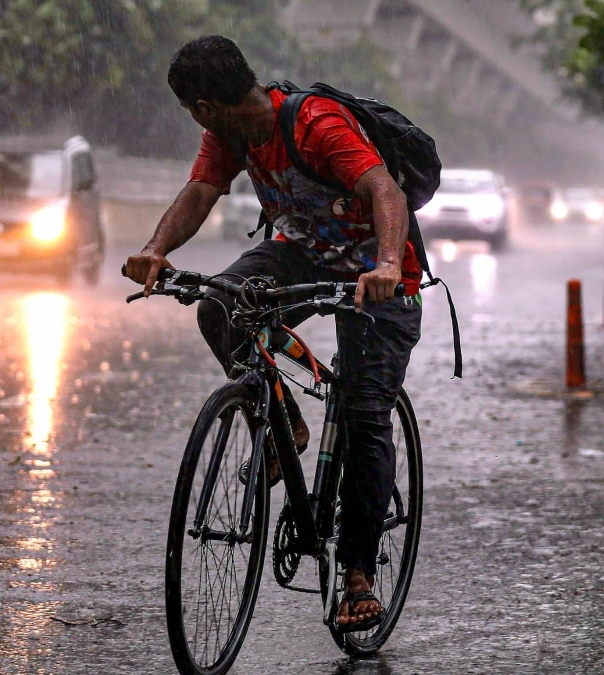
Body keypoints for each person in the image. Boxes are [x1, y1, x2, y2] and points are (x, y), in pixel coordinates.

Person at [124, 35, 423, 631]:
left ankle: (358, 575)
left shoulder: (315, 125)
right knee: (220, 305)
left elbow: (385, 190)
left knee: (366, 414)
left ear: (203, 106)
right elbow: (201, 193)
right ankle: (285, 420)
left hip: (378, 275)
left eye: (192, 110)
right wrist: (156, 250)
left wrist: (387, 264)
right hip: (303, 254)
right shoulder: (229, 134)